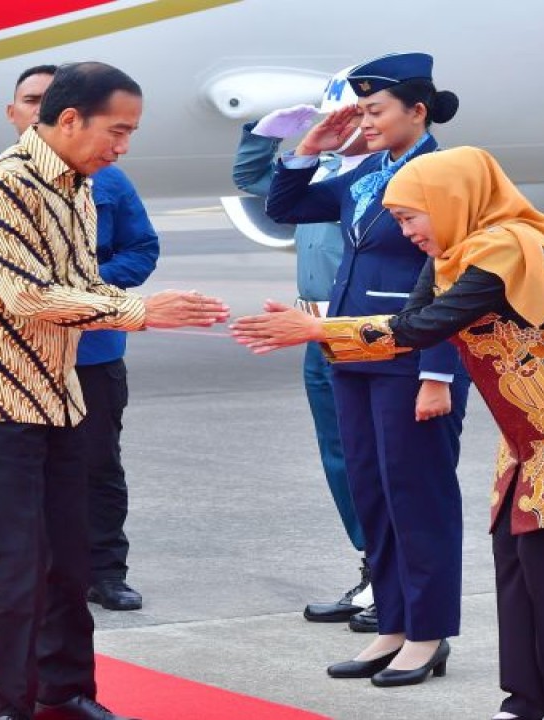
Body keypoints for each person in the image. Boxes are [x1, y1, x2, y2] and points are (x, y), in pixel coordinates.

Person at [233, 146, 544, 718]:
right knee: (516, 564)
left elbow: (426, 325)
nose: (405, 232)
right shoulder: (455, 253)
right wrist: (322, 332)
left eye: (410, 217)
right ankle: (525, 699)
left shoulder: (505, 246)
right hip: (531, 430)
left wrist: (317, 329)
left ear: (451, 202)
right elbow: (416, 319)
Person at [0, 61, 228, 720]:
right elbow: (26, 294)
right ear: (69, 121)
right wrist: (140, 312)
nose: (123, 146)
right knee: (19, 562)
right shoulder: (1, 185)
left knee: (70, 555)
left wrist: (145, 302)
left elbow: (84, 278)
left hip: (60, 391)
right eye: (117, 130)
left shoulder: (78, 184)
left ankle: (67, 694)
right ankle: (10, 706)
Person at [263, 51, 471, 688]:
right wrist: (311, 145)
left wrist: (440, 374)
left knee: (418, 497)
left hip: (412, 358)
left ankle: (428, 634)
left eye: (376, 110)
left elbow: (458, 274)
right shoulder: (370, 170)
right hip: (354, 352)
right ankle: (393, 625)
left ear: (418, 109)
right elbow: (286, 207)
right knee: (374, 493)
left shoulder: (444, 173)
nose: (367, 121)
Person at [0, 64, 158, 612]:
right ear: (15, 112)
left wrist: (91, 297)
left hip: (94, 348)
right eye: (29, 100)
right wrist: (27, 290)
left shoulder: (102, 181)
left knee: (97, 466)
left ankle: (105, 571)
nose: (38, 109)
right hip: (10, 362)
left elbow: (141, 249)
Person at [231, 69, 376, 629]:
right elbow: (253, 179)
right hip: (313, 333)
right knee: (340, 459)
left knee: (373, 457)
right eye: (339, 118)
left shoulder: (381, 180)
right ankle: (371, 567)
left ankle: (389, 574)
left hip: (359, 332)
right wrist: (267, 134)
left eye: (358, 117)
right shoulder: (327, 175)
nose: (349, 127)